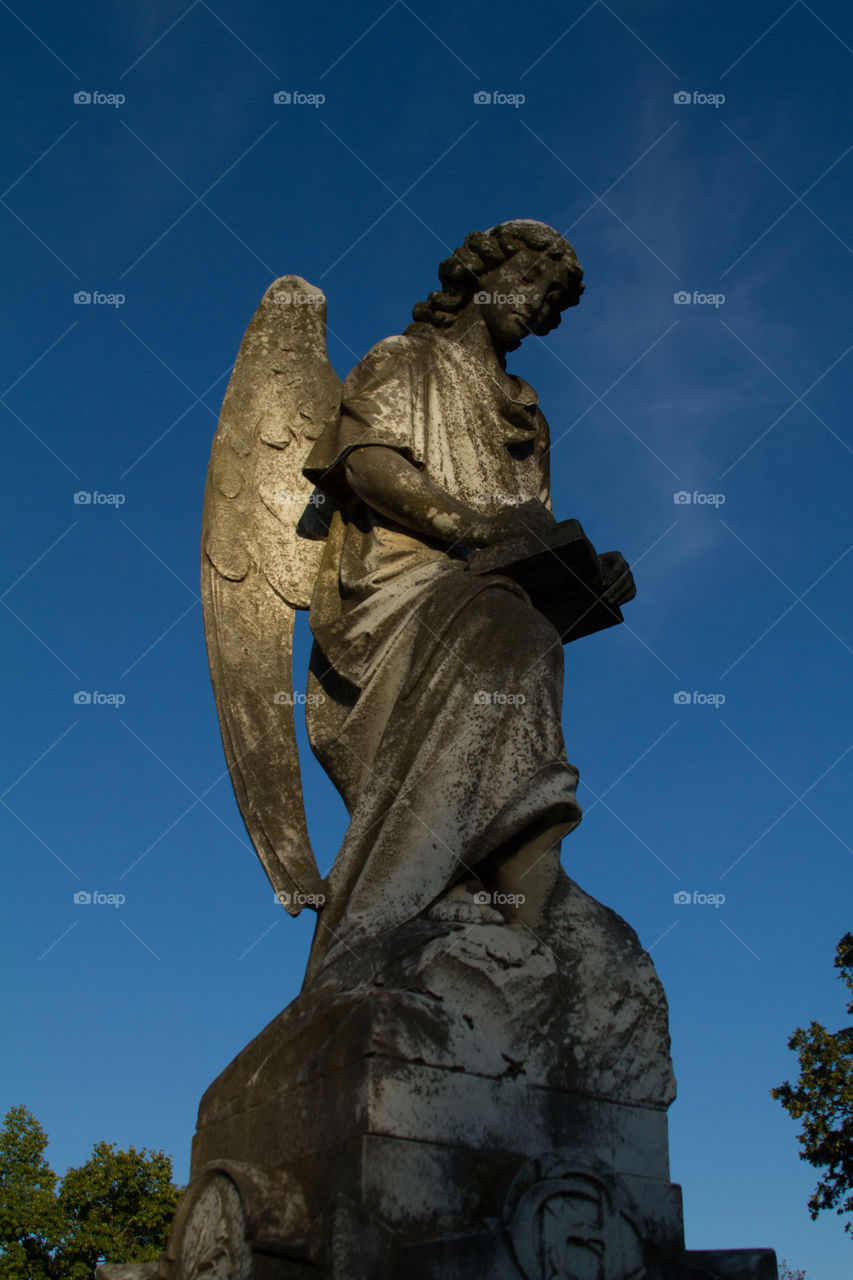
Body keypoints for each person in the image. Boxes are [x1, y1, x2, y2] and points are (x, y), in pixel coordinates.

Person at [301, 220, 635, 980]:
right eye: (526, 285)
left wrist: (589, 574)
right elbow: (369, 467)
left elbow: (531, 531)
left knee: (522, 643)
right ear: (477, 280)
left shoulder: (525, 412)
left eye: (550, 303)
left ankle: (510, 882)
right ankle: (436, 889)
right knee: (509, 639)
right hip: (400, 588)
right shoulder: (404, 360)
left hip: (491, 591)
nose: (536, 309)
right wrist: (473, 524)